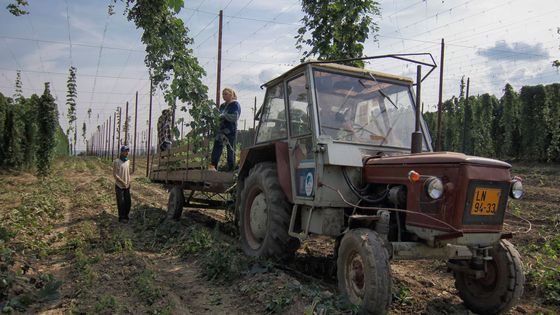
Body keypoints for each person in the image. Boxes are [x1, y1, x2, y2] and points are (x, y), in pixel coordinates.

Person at [209, 88, 241, 171]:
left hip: (230, 131)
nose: (224, 96)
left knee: (230, 150)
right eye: (223, 94)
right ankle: (213, 168)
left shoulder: (235, 104)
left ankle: (231, 170)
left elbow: (234, 117)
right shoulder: (222, 106)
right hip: (221, 130)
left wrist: (223, 116)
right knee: (216, 149)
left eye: (225, 94)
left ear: (231, 94)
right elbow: (218, 117)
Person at [113, 145, 131, 223]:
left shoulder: (128, 161)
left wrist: (129, 181)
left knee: (128, 202)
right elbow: (115, 174)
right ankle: (121, 217)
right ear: (122, 152)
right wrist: (122, 182)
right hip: (119, 185)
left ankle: (126, 215)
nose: (127, 152)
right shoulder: (116, 161)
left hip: (127, 185)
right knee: (121, 202)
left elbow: (128, 173)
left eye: (127, 151)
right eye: (125, 151)